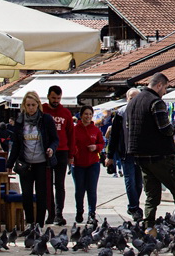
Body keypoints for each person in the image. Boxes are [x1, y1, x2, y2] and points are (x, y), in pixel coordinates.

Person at [125, 73, 175, 236]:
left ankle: (149, 227)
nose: (164, 92)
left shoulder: (132, 102)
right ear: (159, 85)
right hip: (160, 155)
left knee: (151, 194)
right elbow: (165, 129)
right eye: (165, 88)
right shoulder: (156, 102)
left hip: (140, 155)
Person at [7, 90, 59, 228]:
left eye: (33, 105)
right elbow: (16, 144)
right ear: (24, 105)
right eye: (28, 105)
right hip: (25, 163)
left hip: (41, 162)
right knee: (27, 195)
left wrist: (51, 148)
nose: (30, 108)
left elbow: (55, 139)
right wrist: (9, 164)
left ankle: (39, 225)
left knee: (42, 194)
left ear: (38, 105)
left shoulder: (45, 119)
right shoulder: (20, 121)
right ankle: (30, 223)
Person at [104, 88, 144, 221]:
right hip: (126, 153)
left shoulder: (143, 112)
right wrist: (110, 155)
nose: (134, 101)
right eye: (131, 98)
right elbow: (114, 135)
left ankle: (134, 206)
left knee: (139, 183)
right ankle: (134, 207)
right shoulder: (121, 113)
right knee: (130, 180)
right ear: (127, 99)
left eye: (137, 98)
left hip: (140, 153)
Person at [42, 85, 74, 226]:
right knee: (47, 184)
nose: (56, 101)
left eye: (58, 98)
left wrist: (71, 154)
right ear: (48, 96)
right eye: (53, 98)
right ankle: (50, 213)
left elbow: (71, 134)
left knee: (59, 184)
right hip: (46, 152)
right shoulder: (42, 110)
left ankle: (59, 214)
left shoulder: (65, 112)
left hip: (62, 151)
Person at [72, 105, 104, 225]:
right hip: (78, 164)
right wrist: (74, 152)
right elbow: (71, 143)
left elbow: (101, 143)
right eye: (86, 114)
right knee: (79, 190)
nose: (88, 116)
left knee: (92, 190)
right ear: (81, 115)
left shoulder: (95, 130)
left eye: (90, 114)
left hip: (93, 163)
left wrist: (96, 147)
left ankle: (92, 214)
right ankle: (79, 212)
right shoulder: (75, 129)